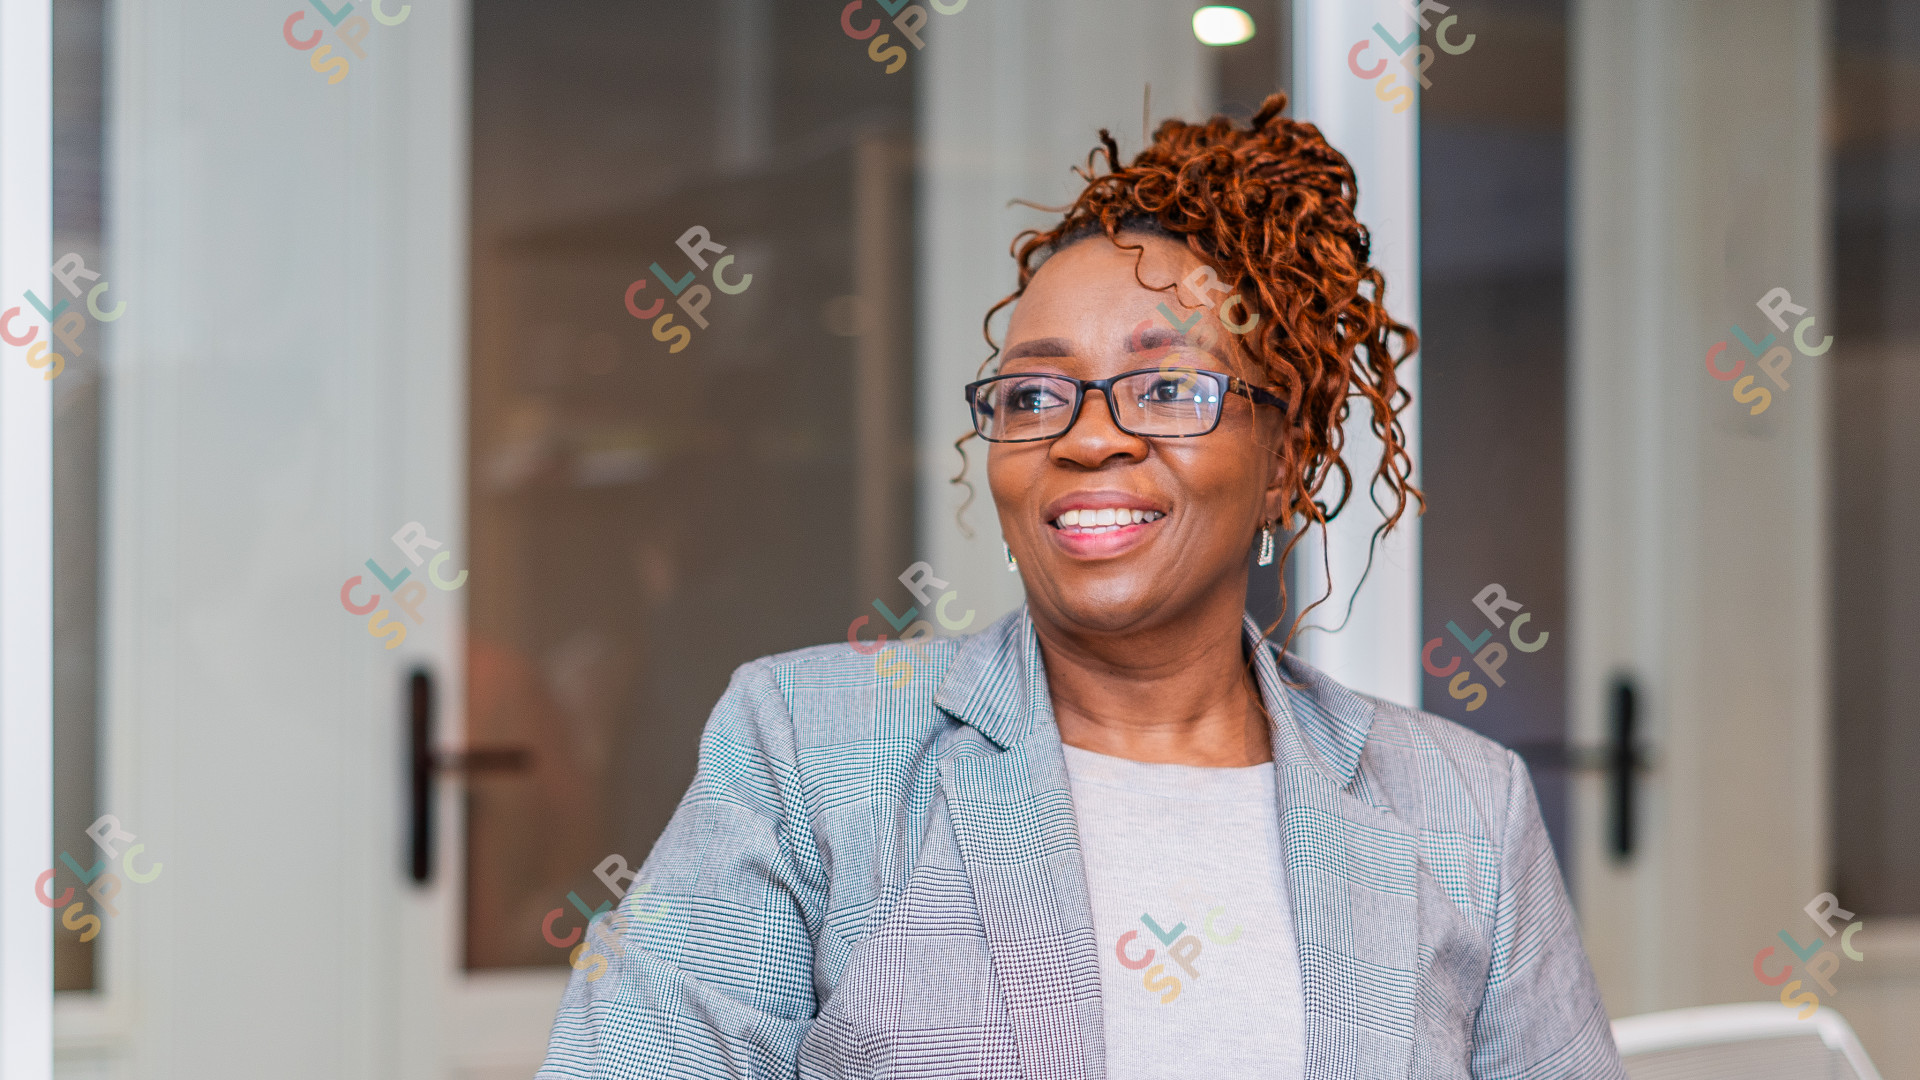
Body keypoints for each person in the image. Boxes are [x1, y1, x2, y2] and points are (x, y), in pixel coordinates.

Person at [537, 93, 1624, 1080]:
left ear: (1284, 461)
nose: (1088, 436)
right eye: (1034, 394)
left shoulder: (1459, 804)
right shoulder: (807, 751)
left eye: (1164, 385)